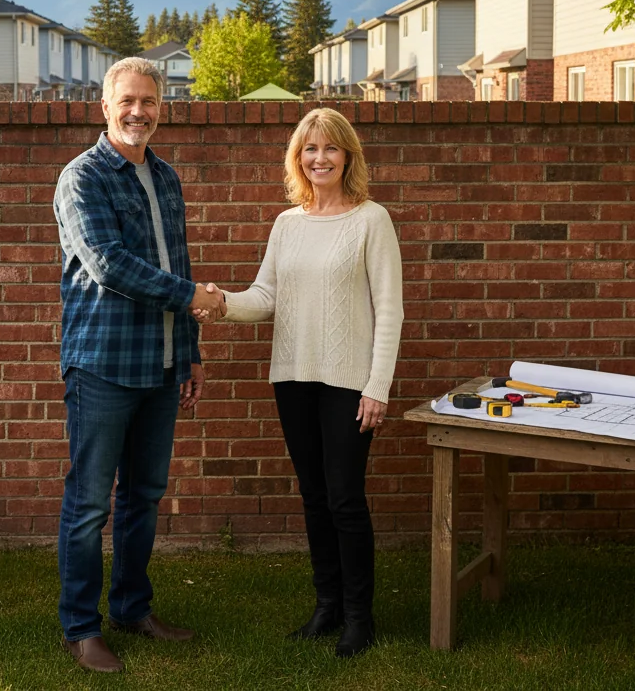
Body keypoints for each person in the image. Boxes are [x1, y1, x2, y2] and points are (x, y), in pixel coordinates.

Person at [209, 107, 403, 658]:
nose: (319, 159)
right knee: (314, 498)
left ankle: (360, 617)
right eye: (309, 150)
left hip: (348, 383)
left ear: (347, 157)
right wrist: (221, 304)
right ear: (298, 158)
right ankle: (327, 606)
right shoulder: (286, 224)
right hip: (292, 378)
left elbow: (389, 311)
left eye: (330, 149)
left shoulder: (371, 219)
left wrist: (377, 387)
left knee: (345, 499)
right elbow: (266, 298)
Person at [53, 56, 225, 674]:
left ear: (161, 108)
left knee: (144, 496)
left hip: (159, 365)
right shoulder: (82, 179)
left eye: (148, 102)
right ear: (104, 106)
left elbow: (175, 267)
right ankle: (80, 628)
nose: (138, 112)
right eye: (127, 101)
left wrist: (191, 353)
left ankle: (130, 607)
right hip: (102, 365)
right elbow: (108, 264)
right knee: (90, 503)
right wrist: (194, 298)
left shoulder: (167, 177)